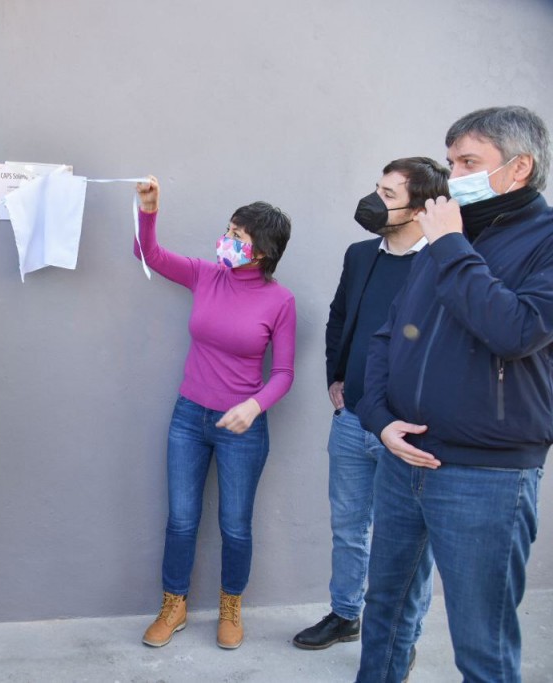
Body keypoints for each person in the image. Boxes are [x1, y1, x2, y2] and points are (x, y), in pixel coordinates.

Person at [356, 106, 552, 683]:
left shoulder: (535, 241)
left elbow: (515, 331)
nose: (454, 175)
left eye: (468, 162)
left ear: (519, 168)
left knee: (481, 643)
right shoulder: (451, 237)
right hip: (402, 462)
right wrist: (379, 419)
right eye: (451, 162)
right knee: (385, 613)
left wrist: (448, 245)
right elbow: (389, 335)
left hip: (485, 476)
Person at [292, 158, 449, 657]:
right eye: (376, 189)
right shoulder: (361, 255)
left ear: (419, 209)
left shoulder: (444, 261)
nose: (373, 202)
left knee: (408, 543)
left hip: (409, 430)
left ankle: (403, 639)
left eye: (387, 195)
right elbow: (340, 317)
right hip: (352, 418)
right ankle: (345, 615)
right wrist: (335, 376)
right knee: (348, 526)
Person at [135, 176, 296, 650]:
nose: (226, 239)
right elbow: (149, 254)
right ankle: (174, 605)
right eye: (228, 229)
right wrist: (149, 210)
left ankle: (230, 607)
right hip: (188, 417)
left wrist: (254, 405)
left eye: (237, 235)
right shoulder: (206, 275)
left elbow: (284, 373)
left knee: (235, 525)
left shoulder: (280, 301)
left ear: (261, 251)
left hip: (241, 427)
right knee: (181, 520)